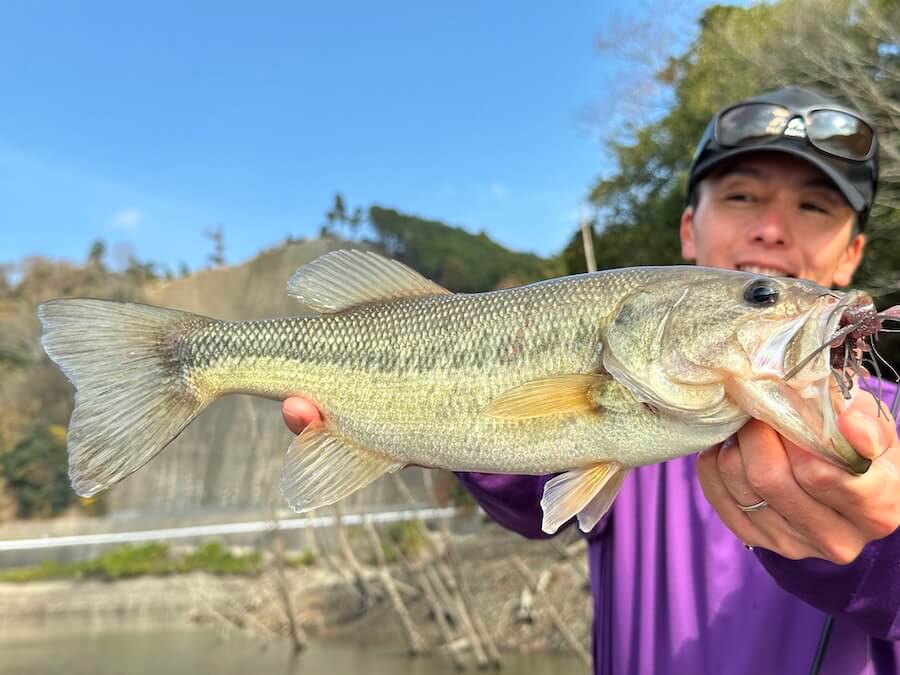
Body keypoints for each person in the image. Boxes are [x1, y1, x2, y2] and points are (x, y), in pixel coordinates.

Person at [281, 87, 900, 675]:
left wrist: (882, 559)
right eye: (741, 196)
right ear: (689, 229)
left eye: (815, 206)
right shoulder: (649, 410)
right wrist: (448, 424)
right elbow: (532, 503)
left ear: (852, 254)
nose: (772, 228)